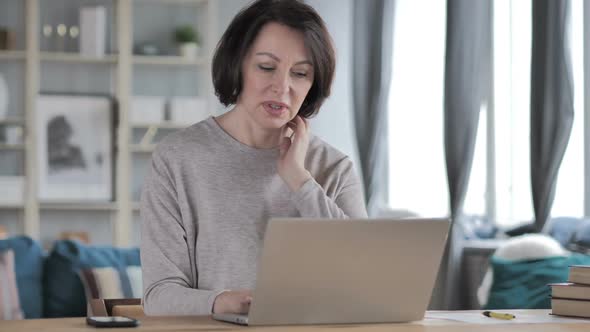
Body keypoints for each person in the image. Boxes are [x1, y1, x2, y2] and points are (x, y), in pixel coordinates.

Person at [140, 0, 368, 317]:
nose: (283, 87)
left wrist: (300, 181)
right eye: (266, 67)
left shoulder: (334, 167)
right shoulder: (177, 158)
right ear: (238, 65)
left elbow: (366, 277)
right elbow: (158, 296)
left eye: (300, 73)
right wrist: (227, 303)